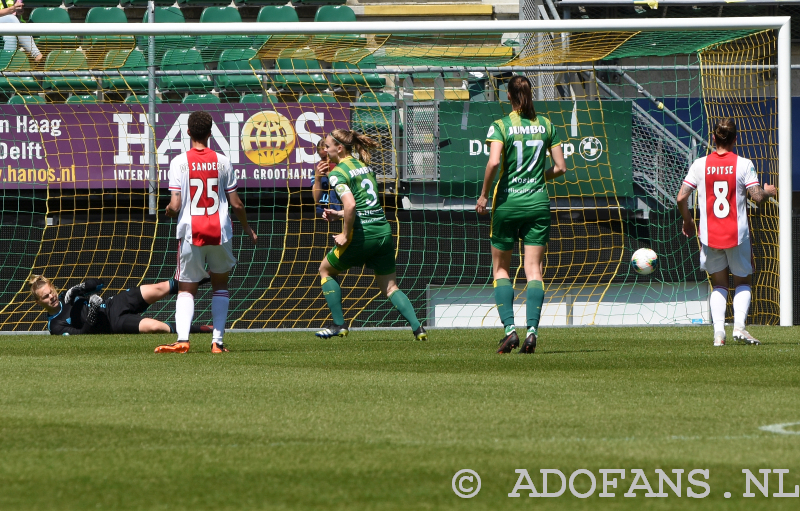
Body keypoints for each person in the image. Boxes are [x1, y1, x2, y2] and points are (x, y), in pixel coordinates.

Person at [475, 75, 567, 355]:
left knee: (501, 269)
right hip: (538, 203)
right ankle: (532, 331)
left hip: (507, 203)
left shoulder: (501, 125)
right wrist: (539, 176)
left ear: (508, 97)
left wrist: (483, 195)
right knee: (534, 270)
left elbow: (493, 162)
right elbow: (561, 168)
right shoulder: (547, 125)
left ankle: (509, 331)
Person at [155, 111, 257, 354]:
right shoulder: (223, 161)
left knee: (186, 288)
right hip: (220, 231)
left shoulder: (179, 161)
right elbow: (237, 204)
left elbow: (175, 205)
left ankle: (182, 340)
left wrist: (169, 211)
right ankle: (217, 343)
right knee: (220, 286)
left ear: (188, 132)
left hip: (191, 232)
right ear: (211, 133)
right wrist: (247, 228)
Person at [316, 128, 427, 341]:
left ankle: (339, 324)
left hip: (362, 235)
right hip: (383, 232)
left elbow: (351, 205)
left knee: (326, 271)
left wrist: (345, 235)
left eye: (328, 146)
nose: (326, 150)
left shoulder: (338, 173)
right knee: (390, 287)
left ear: (339, 148)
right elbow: (364, 205)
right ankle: (418, 328)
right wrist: (338, 214)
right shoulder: (364, 167)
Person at [677, 118, 776, 346]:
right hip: (737, 235)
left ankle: (718, 335)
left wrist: (688, 221)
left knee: (719, 284)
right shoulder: (744, 164)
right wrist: (769, 192)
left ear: (713, 138)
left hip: (710, 236)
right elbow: (757, 197)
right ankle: (739, 328)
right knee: (743, 280)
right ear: (735, 139)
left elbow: (681, 197)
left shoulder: (699, 164)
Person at [29, 274, 212, 336]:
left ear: (53, 287)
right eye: (45, 297)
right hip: (114, 323)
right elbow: (82, 335)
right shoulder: (55, 325)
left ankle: (209, 277)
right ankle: (206, 329)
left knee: (160, 287)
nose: (51, 297)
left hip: (114, 304)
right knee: (156, 327)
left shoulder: (68, 295)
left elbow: (100, 283)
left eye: (51, 291)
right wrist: (92, 314)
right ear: (39, 302)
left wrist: (81, 287)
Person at [311, 137, 341, 216]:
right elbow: (316, 199)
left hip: (339, 211)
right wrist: (317, 179)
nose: (327, 160)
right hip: (323, 212)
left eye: (329, 156)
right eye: (324, 158)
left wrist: (329, 174)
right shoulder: (317, 171)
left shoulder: (342, 168)